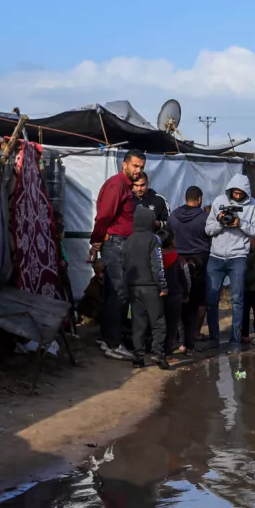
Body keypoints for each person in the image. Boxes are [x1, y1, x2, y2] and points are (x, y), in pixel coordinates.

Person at [91, 149, 145, 361]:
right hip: (115, 244)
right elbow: (104, 215)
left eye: (141, 167)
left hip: (119, 244)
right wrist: (95, 240)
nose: (138, 170)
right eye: (135, 166)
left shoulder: (125, 186)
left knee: (112, 293)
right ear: (124, 165)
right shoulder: (117, 185)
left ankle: (107, 338)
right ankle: (113, 343)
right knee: (119, 292)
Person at [204, 174, 255, 349]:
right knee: (211, 299)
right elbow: (208, 229)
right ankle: (214, 339)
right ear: (230, 190)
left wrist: (240, 223)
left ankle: (235, 341)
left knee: (237, 299)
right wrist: (221, 222)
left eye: (241, 193)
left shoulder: (252, 205)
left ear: (246, 192)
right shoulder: (219, 201)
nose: (237, 196)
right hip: (215, 257)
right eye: (235, 193)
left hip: (238, 256)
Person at [124, 206, 169, 369]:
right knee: (158, 322)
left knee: (138, 323)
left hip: (133, 287)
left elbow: (124, 264)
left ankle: (138, 357)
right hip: (151, 287)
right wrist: (163, 285)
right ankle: (158, 354)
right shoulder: (153, 239)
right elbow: (157, 265)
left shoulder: (129, 240)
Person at [168, 186, 211, 353]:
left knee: (179, 299)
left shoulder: (173, 216)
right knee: (199, 301)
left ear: (185, 198)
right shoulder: (204, 218)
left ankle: (179, 336)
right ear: (199, 199)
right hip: (200, 261)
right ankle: (195, 333)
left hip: (178, 261)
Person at [160, 226, 190, 357]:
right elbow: (185, 278)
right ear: (172, 242)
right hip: (175, 296)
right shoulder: (178, 259)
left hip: (159, 295)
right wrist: (186, 293)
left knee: (159, 324)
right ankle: (168, 353)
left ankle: (157, 351)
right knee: (173, 326)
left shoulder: (155, 259)